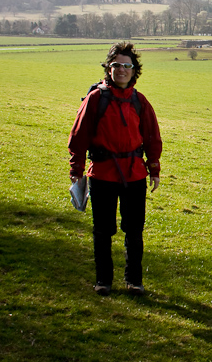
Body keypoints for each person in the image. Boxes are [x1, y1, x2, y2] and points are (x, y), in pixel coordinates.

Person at [68, 41, 162, 296]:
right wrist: (76, 168)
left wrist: (154, 168)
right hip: (102, 174)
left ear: (134, 71)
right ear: (109, 69)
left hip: (134, 174)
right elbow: (79, 135)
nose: (121, 70)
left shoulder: (140, 101)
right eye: (116, 65)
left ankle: (134, 281)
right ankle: (104, 281)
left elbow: (152, 136)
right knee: (103, 230)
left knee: (134, 229)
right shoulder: (95, 99)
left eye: (126, 66)